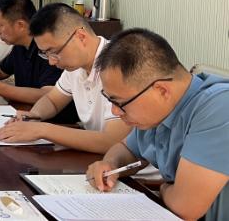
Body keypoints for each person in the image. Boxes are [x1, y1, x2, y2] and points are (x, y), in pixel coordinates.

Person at [86, 29, 229, 221]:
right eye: (110, 100)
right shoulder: (156, 114)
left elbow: (186, 208)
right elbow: (126, 148)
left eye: (120, 102)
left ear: (162, 90)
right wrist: (110, 164)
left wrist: (163, 187)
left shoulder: (219, 107)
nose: (115, 111)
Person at [0, 3, 130, 154]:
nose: (51, 62)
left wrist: (42, 130)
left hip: (130, 165)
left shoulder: (120, 65)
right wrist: (34, 116)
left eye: (54, 52)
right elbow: (52, 100)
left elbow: (111, 141)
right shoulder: (76, 66)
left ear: (81, 37)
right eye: (45, 54)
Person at [0, 0, 78, 123]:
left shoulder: (51, 50)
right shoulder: (20, 46)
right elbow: (0, 70)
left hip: (57, 123)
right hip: (28, 116)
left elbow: (47, 94)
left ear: (20, 25)